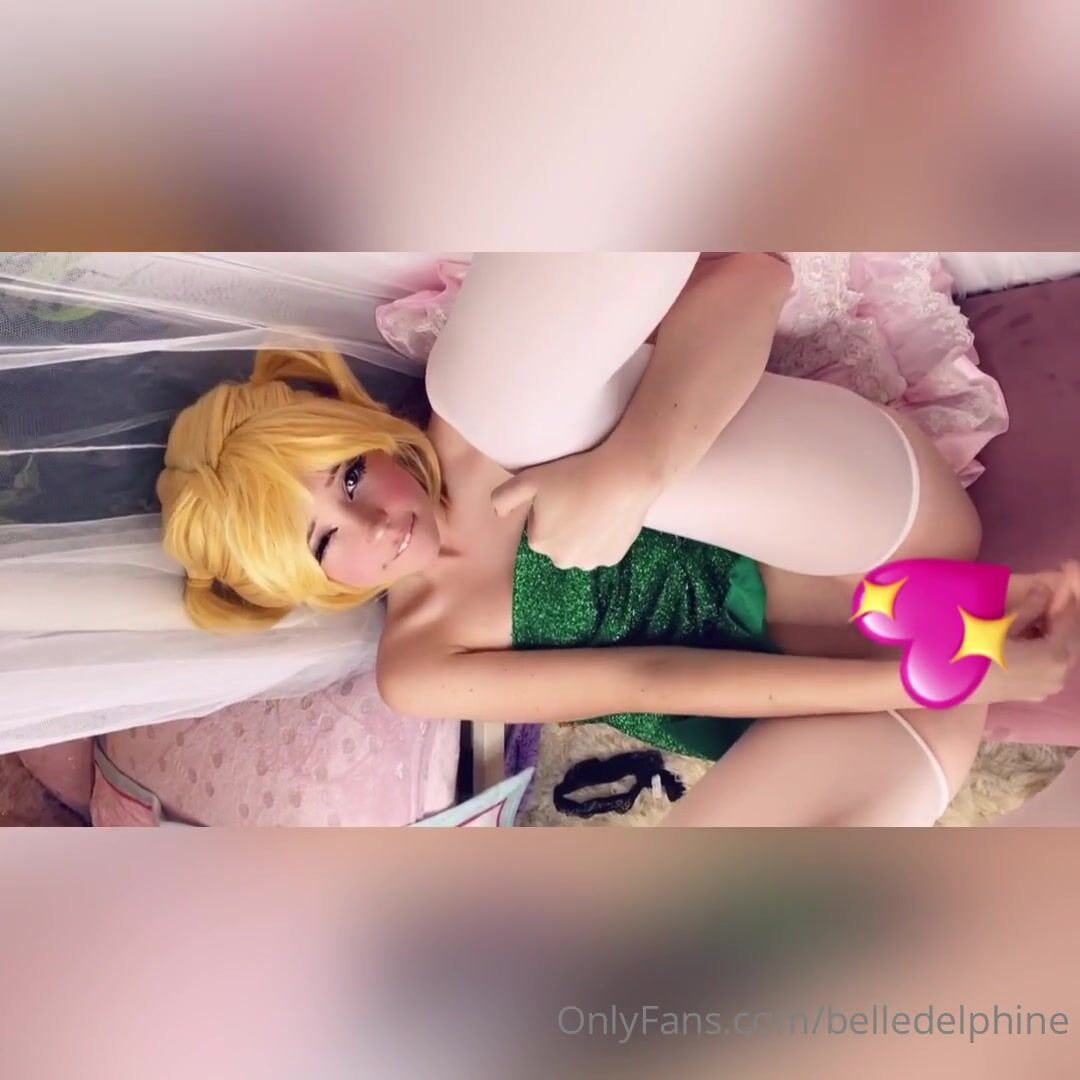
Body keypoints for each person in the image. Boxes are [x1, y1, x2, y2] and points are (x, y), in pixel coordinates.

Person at [157, 253, 1079, 826]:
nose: (374, 524)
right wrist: (950, 674)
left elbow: (751, 275)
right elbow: (653, 678)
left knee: (495, 404)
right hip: (880, 716)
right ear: (306, 586)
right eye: (325, 543)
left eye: (352, 476)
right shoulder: (421, 661)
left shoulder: (476, 430)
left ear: (362, 433)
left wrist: (628, 474)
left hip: (873, 542)